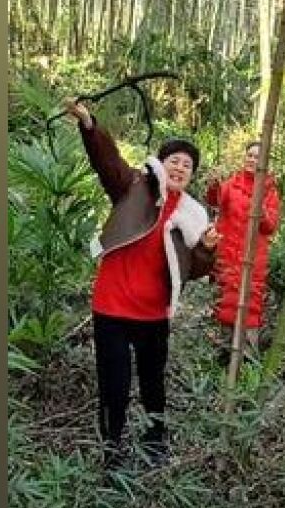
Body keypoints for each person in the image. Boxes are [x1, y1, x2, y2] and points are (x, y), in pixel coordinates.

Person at [63, 99, 221, 469]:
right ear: (160, 165)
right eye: (174, 161)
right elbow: (107, 161)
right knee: (113, 385)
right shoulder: (132, 185)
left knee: (153, 383)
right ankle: (112, 450)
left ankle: (155, 440)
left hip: (152, 314)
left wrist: (208, 251)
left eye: (187, 165)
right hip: (112, 309)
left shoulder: (192, 215)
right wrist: (89, 124)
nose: (180, 167)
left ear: (192, 175)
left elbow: (193, 270)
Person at [204, 141, 282, 356]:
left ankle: (246, 357)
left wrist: (261, 208)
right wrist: (212, 186)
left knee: (250, 306)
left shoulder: (269, 192)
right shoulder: (231, 184)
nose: (252, 160)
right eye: (249, 155)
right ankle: (221, 355)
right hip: (227, 255)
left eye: (257, 157)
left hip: (253, 260)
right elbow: (215, 201)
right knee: (224, 303)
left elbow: (270, 226)